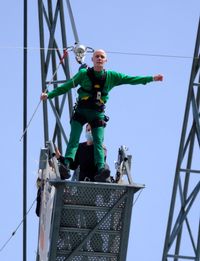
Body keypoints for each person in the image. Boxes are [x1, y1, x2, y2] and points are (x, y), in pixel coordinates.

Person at [41, 49, 163, 182]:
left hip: (97, 114)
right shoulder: (83, 74)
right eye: (97, 56)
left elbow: (131, 79)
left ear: (106, 60)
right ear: (92, 60)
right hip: (81, 111)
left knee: (98, 141)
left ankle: (101, 170)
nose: (99, 58)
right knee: (74, 138)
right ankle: (67, 164)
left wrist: (151, 78)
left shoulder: (112, 76)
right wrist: (49, 95)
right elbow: (66, 86)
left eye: (102, 57)